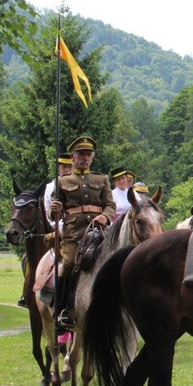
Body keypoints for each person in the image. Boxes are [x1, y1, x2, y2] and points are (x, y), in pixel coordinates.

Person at [49, 136, 116, 330]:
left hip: (99, 233)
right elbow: (54, 216)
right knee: (69, 264)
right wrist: (54, 209)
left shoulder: (101, 179)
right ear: (72, 156)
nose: (84, 158)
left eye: (88, 154)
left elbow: (110, 205)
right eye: (81, 154)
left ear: (92, 158)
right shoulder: (62, 181)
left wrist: (105, 216)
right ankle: (62, 310)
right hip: (74, 235)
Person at [18, 153, 75, 309]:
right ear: (58, 168)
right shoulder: (51, 187)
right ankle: (29, 290)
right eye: (64, 167)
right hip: (56, 228)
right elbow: (47, 212)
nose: (67, 169)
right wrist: (58, 228)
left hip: (76, 229)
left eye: (70, 166)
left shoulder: (79, 183)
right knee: (27, 258)